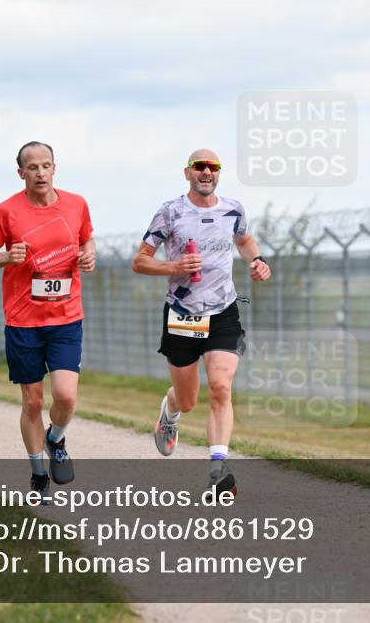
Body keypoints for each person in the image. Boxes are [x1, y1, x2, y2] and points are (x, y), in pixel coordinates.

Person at [132, 148, 271, 495]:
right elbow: (140, 261)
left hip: (223, 309)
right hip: (182, 313)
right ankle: (171, 410)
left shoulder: (233, 209)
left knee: (221, 386)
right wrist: (174, 267)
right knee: (189, 399)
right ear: (188, 173)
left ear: (219, 173)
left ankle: (218, 468)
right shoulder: (170, 212)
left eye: (213, 167)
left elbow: (244, 240)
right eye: (200, 167)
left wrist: (257, 261)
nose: (206, 172)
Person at [0, 141, 96, 499]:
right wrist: (6, 258)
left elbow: (87, 241)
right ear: (21, 173)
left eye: (46, 165)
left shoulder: (77, 204)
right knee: (32, 403)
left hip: (65, 317)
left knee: (66, 397)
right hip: (24, 321)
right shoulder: (7, 211)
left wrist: (88, 256)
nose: (40, 172)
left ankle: (55, 439)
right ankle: (38, 474)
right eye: (32, 167)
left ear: (55, 168)